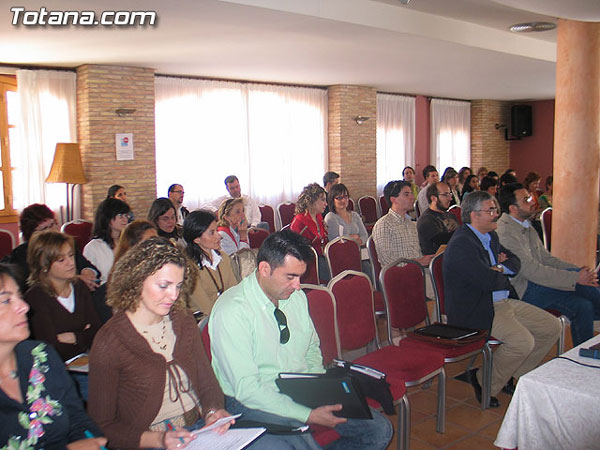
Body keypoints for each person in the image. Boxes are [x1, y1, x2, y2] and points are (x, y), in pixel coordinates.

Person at [209, 230, 393, 450]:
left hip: (300, 386)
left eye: (300, 277)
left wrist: (315, 388)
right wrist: (308, 414)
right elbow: (247, 390)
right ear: (265, 269)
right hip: (252, 400)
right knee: (302, 446)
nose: (298, 286)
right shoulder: (232, 311)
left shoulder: (295, 297)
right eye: (290, 277)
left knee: (379, 430)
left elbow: (312, 348)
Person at [88, 237, 232, 450]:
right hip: (148, 441)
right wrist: (158, 439)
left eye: (179, 286)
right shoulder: (110, 341)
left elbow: (207, 382)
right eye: (164, 285)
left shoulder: (182, 320)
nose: (174, 295)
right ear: (136, 280)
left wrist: (213, 411)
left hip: (199, 430)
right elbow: (103, 425)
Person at [443, 191, 561, 407]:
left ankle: (512, 376)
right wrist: (499, 269)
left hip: (502, 301)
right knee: (522, 342)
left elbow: (515, 264)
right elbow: (488, 281)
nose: (496, 214)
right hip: (477, 307)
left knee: (551, 327)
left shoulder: (491, 235)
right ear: (474, 215)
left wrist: (497, 268)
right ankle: (484, 380)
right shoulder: (462, 244)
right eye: (491, 210)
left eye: (496, 209)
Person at [0, 263, 107, 449]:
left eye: (19, 296)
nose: (24, 306)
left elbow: (77, 419)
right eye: (6, 301)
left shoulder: (40, 356)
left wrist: (94, 442)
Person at [496, 183, 600, 346]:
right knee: (581, 284)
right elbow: (531, 271)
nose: (532, 202)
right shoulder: (505, 232)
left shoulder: (525, 225)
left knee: (583, 305)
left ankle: (585, 357)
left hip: (539, 283)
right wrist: (575, 277)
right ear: (513, 208)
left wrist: (578, 271)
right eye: (526, 199)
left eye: (529, 197)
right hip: (524, 289)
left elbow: (547, 259)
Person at [25, 231, 102, 363]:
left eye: (71, 256)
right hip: (58, 368)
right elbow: (51, 347)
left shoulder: (79, 287)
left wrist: (74, 337)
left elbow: (98, 333)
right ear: (44, 265)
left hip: (86, 361)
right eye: (61, 260)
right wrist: (84, 336)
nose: (71, 263)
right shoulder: (36, 297)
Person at [2, 203, 99, 293]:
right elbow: (29, 285)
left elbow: (88, 266)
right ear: (32, 234)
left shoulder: (66, 245)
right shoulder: (21, 255)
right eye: (45, 228)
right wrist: (73, 279)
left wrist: (87, 272)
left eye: (53, 224)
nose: (52, 230)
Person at [92, 220, 159, 324]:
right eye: (150, 243)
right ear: (132, 249)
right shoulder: (107, 293)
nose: (156, 248)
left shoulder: (161, 281)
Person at [183, 210, 237, 316]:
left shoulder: (223, 257)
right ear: (197, 239)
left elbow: (234, 291)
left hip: (228, 314)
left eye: (216, 230)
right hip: (204, 321)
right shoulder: (189, 267)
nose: (218, 236)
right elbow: (206, 308)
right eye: (212, 233)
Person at [372, 181, 434, 267]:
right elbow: (386, 259)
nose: (412, 197)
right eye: (406, 194)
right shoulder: (384, 224)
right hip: (398, 274)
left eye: (411, 193)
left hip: (418, 270)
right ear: (393, 200)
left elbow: (419, 252)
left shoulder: (413, 224)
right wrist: (418, 262)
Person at [84, 198, 130, 284]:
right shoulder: (93, 247)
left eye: (126, 215)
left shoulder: (129, 242)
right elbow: (91, 280)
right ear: (108, 218)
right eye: (120, 216)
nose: (125, 220)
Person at [290, 183, 329, 281]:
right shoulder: (299, 221)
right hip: (308, 262)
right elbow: (296, 250)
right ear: (312, 201)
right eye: (323, 200)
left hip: (321, 258)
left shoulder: (318, 217)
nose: (326, 204)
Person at [417, 182, 459, 255]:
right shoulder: (427, 220)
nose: (450, 198)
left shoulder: (450, 215)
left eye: (450, 194)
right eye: (446, 195)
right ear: (433, 198)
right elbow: (440, 242)